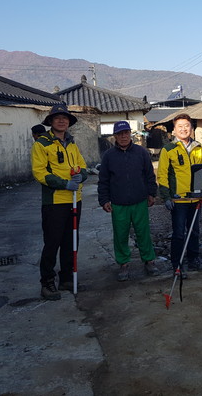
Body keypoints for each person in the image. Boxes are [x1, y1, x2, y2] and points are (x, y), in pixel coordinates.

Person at [31, 104, 87, 300]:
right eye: (57, 118)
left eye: (65, 118)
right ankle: (47, 282)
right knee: (52, 242)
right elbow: (39, 173)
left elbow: (82, 166)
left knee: (71, 241)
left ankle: (66, 278)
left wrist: (82, 176)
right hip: (54, 202)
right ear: (51, 121)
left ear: (69, 122)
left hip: (74, 200)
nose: (62, 121)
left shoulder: (72, 144)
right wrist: (65, 184)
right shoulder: (42, 144)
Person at [98, 121, 160, 281]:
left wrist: (152, 193)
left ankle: (149, 260)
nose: (123, 136)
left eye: (126, 133)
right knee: (120, 235)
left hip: (140, 201)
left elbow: (149, 175)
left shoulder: (141, 152)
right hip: (118, 203)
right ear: (115, 136)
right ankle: (123, 263)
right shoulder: (108, 156)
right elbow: (103, 180)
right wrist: (104, 199)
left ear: (130, 134)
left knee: (143, 233)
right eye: (119, 134)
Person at [157, 113, 202, 277]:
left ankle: (194, 259)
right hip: (178, 199)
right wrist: (167, 197)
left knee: (194, 231)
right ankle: (177, 264)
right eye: (180, 126)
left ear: (192, 128)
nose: (184, 129)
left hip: (195, 198)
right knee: (179, 233)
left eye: (187, 126)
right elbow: (162, 175)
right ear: (174, 130)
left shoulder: (198, 148)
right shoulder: (168, 149)